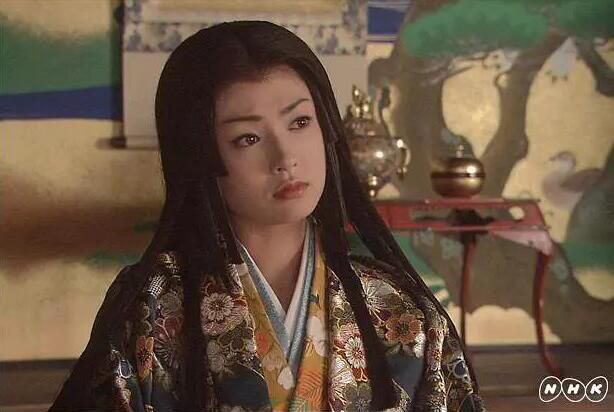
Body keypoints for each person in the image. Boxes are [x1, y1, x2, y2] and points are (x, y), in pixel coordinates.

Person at [50, 21, 484, 412]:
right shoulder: (151, 306)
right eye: (248, 138)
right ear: (198, 155)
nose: (285, 157)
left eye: (300, 122)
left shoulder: (398, 307)